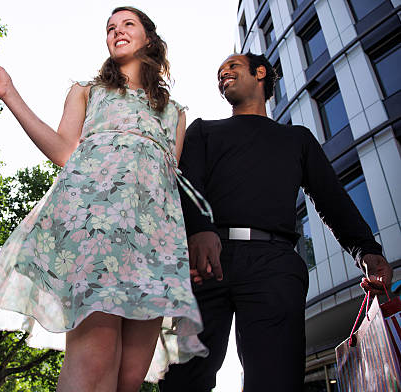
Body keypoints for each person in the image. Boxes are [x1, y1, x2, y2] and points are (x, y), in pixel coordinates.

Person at [0, 7, 212, 392]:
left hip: (154, 244)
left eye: (127, 24)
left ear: (148, 38)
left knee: (130, 377)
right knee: (95, 358)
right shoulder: (87, 91)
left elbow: (167, 183)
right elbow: (63, 151)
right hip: (96, 226)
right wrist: (8, 93)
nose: (116, 31)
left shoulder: (174, 113)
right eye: (110, 27)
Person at [159, 52, 393, 392]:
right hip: (205, 263)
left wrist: (367, 252)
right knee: (182, 381)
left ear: (260, 73)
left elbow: (333, 200)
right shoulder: (203, 131)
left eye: (232, 67)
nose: (223, 74)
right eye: (219, 72)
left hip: (275, 263)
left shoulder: (297, 140)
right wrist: (200, 229)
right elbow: (187, 187)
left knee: (276, 381)